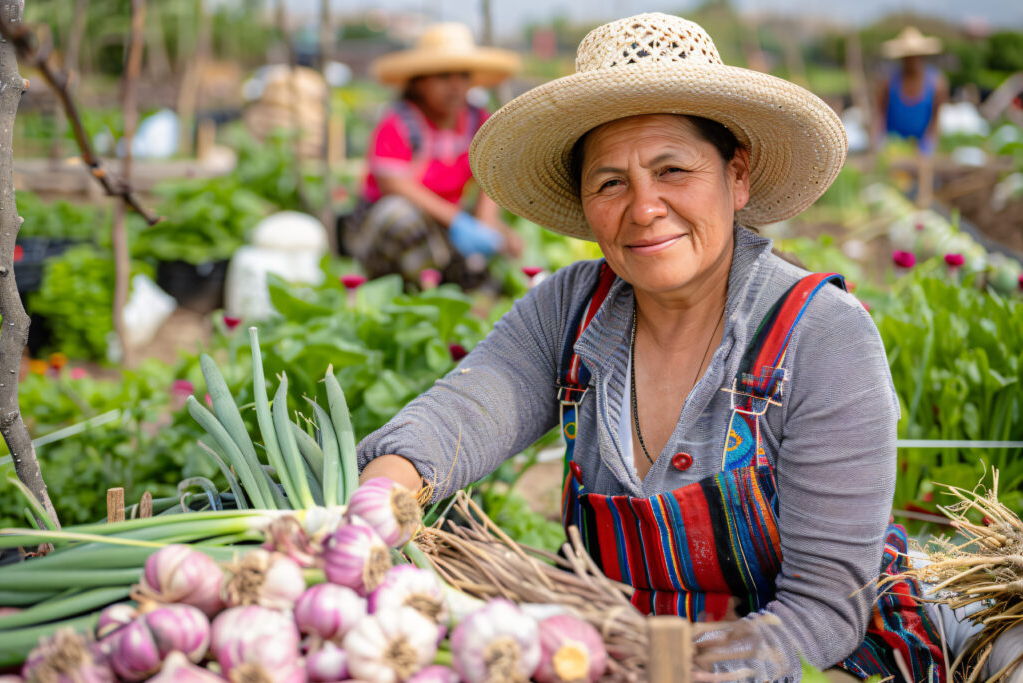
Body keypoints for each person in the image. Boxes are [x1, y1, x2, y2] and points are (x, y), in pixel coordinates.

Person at [359, 13, 945, 681]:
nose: (644, 208)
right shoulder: (571, 307)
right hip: (617, 651)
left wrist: (682, 669)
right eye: (611, 182)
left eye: (673, 169)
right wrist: (384, 493)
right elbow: (461, 415)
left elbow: (822, 609)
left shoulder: (819, 334)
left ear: (738, 175)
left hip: (801, 659)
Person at [343, 22, 524, 290]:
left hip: (443, 223)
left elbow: (490, 172)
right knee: (400, 217)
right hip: (388, 233)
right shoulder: (399, 123)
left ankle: (466, 294)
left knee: (507, 239)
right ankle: (421, 293)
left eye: (462, 76)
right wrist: (459, 222)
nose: (454, 86)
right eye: (443, 76)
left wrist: (486, 224)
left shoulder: (477, 121)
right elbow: (394, 185)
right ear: (418, 83)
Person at [873, 26, 948, 156]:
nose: (911, 60)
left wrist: (928, 147)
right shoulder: (889, 82)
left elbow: (936, 119)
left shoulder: (936, 83)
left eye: (915, 56)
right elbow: (879, 114)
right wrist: (878, 144)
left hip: (921, 149)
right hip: (893, 147)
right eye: (907, 56)